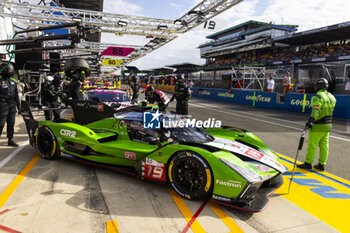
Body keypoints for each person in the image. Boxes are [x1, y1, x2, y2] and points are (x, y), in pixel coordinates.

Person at [297, 78, 336, 171]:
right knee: (324, 145)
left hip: (318, 125)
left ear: (317, 86)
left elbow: (316, 109)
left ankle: (308, 163)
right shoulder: (332, 97)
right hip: (328, 124)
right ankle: (322, 164)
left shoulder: (318, 96)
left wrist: (311, 120)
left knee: (312, 145)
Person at [0, 63, 19, 146]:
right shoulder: (0, 79)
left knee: (11, 122)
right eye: (9, 69)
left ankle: (10, 139)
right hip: (3, 104)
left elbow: (16, 93)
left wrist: (19, 105)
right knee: (1, 123)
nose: (11, 71)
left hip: (12, 104)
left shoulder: (13, 80)